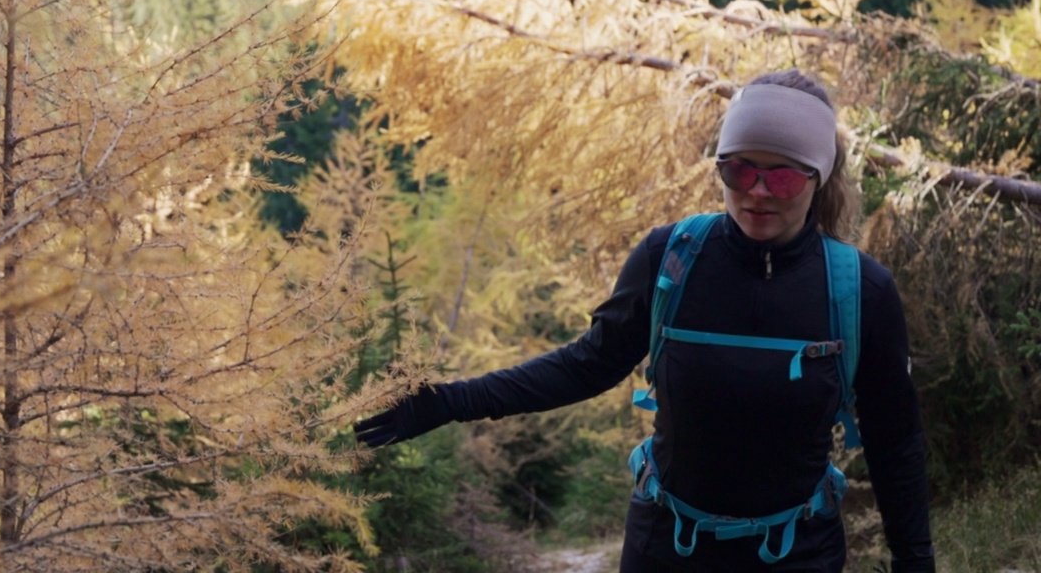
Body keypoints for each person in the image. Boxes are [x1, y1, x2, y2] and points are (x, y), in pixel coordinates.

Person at [353, 70, 935, 572]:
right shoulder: (672, 259)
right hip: (666, 548)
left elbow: (894, 442)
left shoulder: (858, 290)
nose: (757, 193)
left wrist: (914, 561)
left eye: (780, 176)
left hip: (798, 552)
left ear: (819, 176)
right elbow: (587, 364)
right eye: (738, 171)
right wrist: (448, 402)